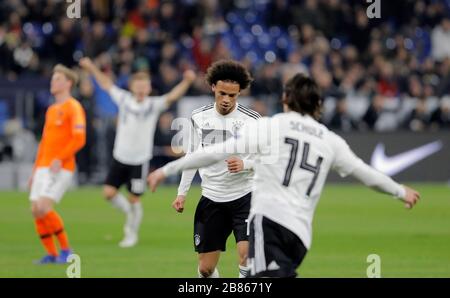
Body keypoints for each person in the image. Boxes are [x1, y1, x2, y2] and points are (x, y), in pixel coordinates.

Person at [148, 73, 420, 277]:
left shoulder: (269, 126)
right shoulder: (330, 140)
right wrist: (400, 191)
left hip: (269, 224)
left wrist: (165, 170)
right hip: (300, 235)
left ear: (285, 100)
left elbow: (215, 151)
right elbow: (366, 174)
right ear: (318, 106)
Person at [79, 57, 196, 247]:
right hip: (120, 157)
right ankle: (129, 213)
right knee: (108, 193)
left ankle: (131, 233)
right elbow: (106, 83)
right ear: (132, 87)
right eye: (138, 85)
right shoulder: (124, 99)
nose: (141, 89)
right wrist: (92, 67)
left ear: (149, 88)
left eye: (145, 86)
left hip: (139, 160)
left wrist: (187, 81)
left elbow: (173, 96)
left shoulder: (153, 104)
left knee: (135, 199)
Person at [173, 60, 260, 278]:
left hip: (245, 196)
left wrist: (246, 164)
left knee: (246, 255)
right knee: (205, 269)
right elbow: (192, 157)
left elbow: (269, 161)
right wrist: (182, 193)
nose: (226, 100)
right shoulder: (198, 117)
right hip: (212, 197)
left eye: (232, 95)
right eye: (222, 93)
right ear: (213, 87)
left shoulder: (254, 121)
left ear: (240, 93)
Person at [30, 64, 86, 264]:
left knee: (44, 207)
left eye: (57, 79)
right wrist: (35, 170)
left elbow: (79, 139)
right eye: (53, 79)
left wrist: (60, 158)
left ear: (68, 83)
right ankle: (52, 254)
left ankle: (66, 250)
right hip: (44, 166)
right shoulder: (52, 109)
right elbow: (44, 142)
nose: (52, 82)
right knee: (36, 209)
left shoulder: (73, 107)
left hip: (61, 167)